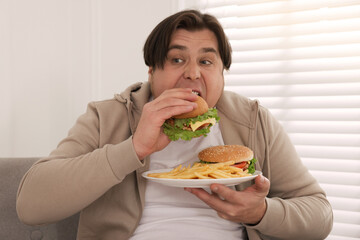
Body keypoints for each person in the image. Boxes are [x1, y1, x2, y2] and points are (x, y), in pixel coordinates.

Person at [16, 10, 333, 240]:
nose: (193, 73)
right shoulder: (106, 117)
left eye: (207, 62)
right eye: (177, 60)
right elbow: (31, 207)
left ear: (222, 75)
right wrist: (134, 148)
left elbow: (319, 215)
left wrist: (260, 213)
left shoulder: (253, 120)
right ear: (152, 72)